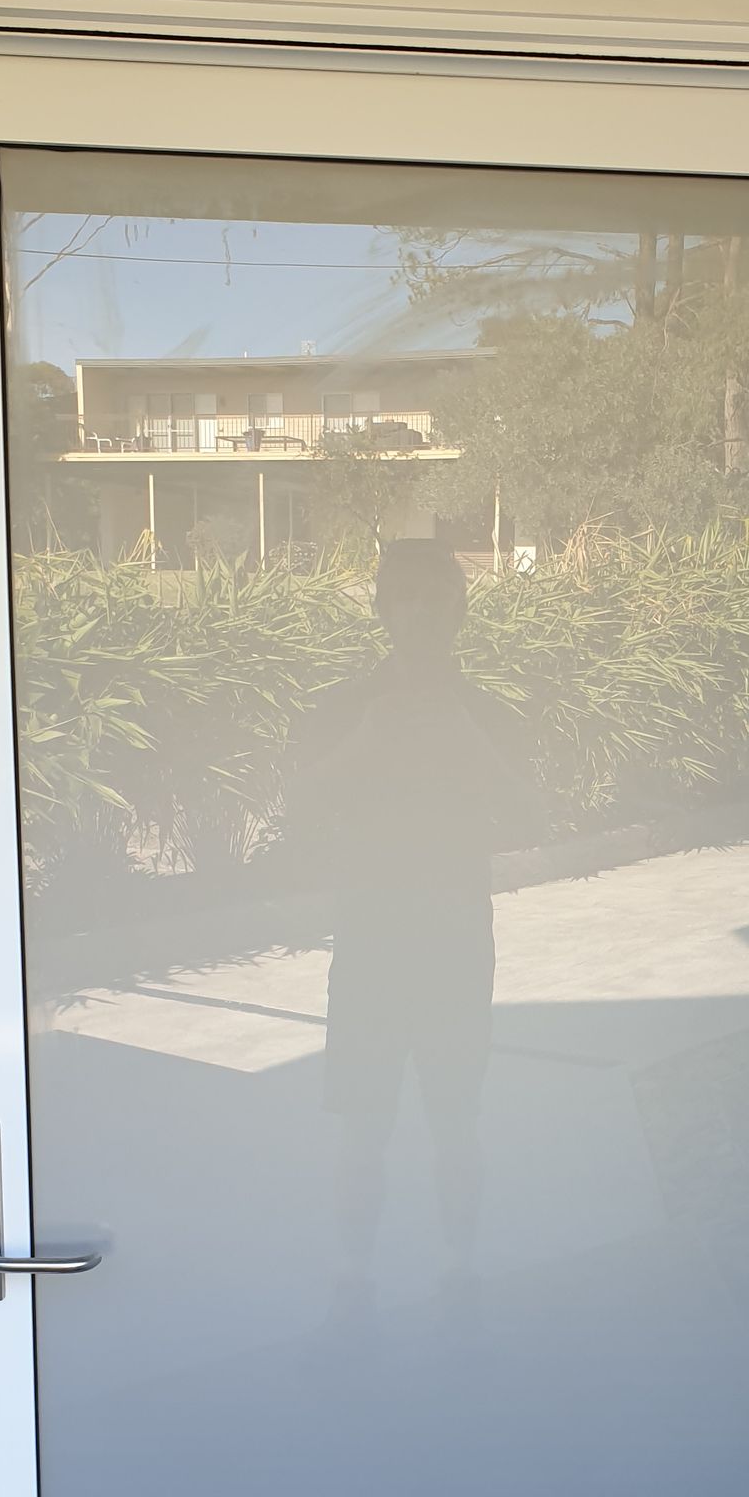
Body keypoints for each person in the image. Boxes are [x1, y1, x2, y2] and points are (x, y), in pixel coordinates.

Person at [288, 541, 537, 1317]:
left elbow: (533, 815)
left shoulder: (488, 714)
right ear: (384, 610)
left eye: (436, 599)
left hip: (458, 945)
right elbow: (295, 814)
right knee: (362, 1127)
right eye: (406, 598)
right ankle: (352, 1275)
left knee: (456, 1123)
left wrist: (469, 742)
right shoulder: (342, 709)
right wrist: (367, 741)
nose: (421, 614)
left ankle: (462, 1268)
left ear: (458, 612)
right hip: (368, 945)